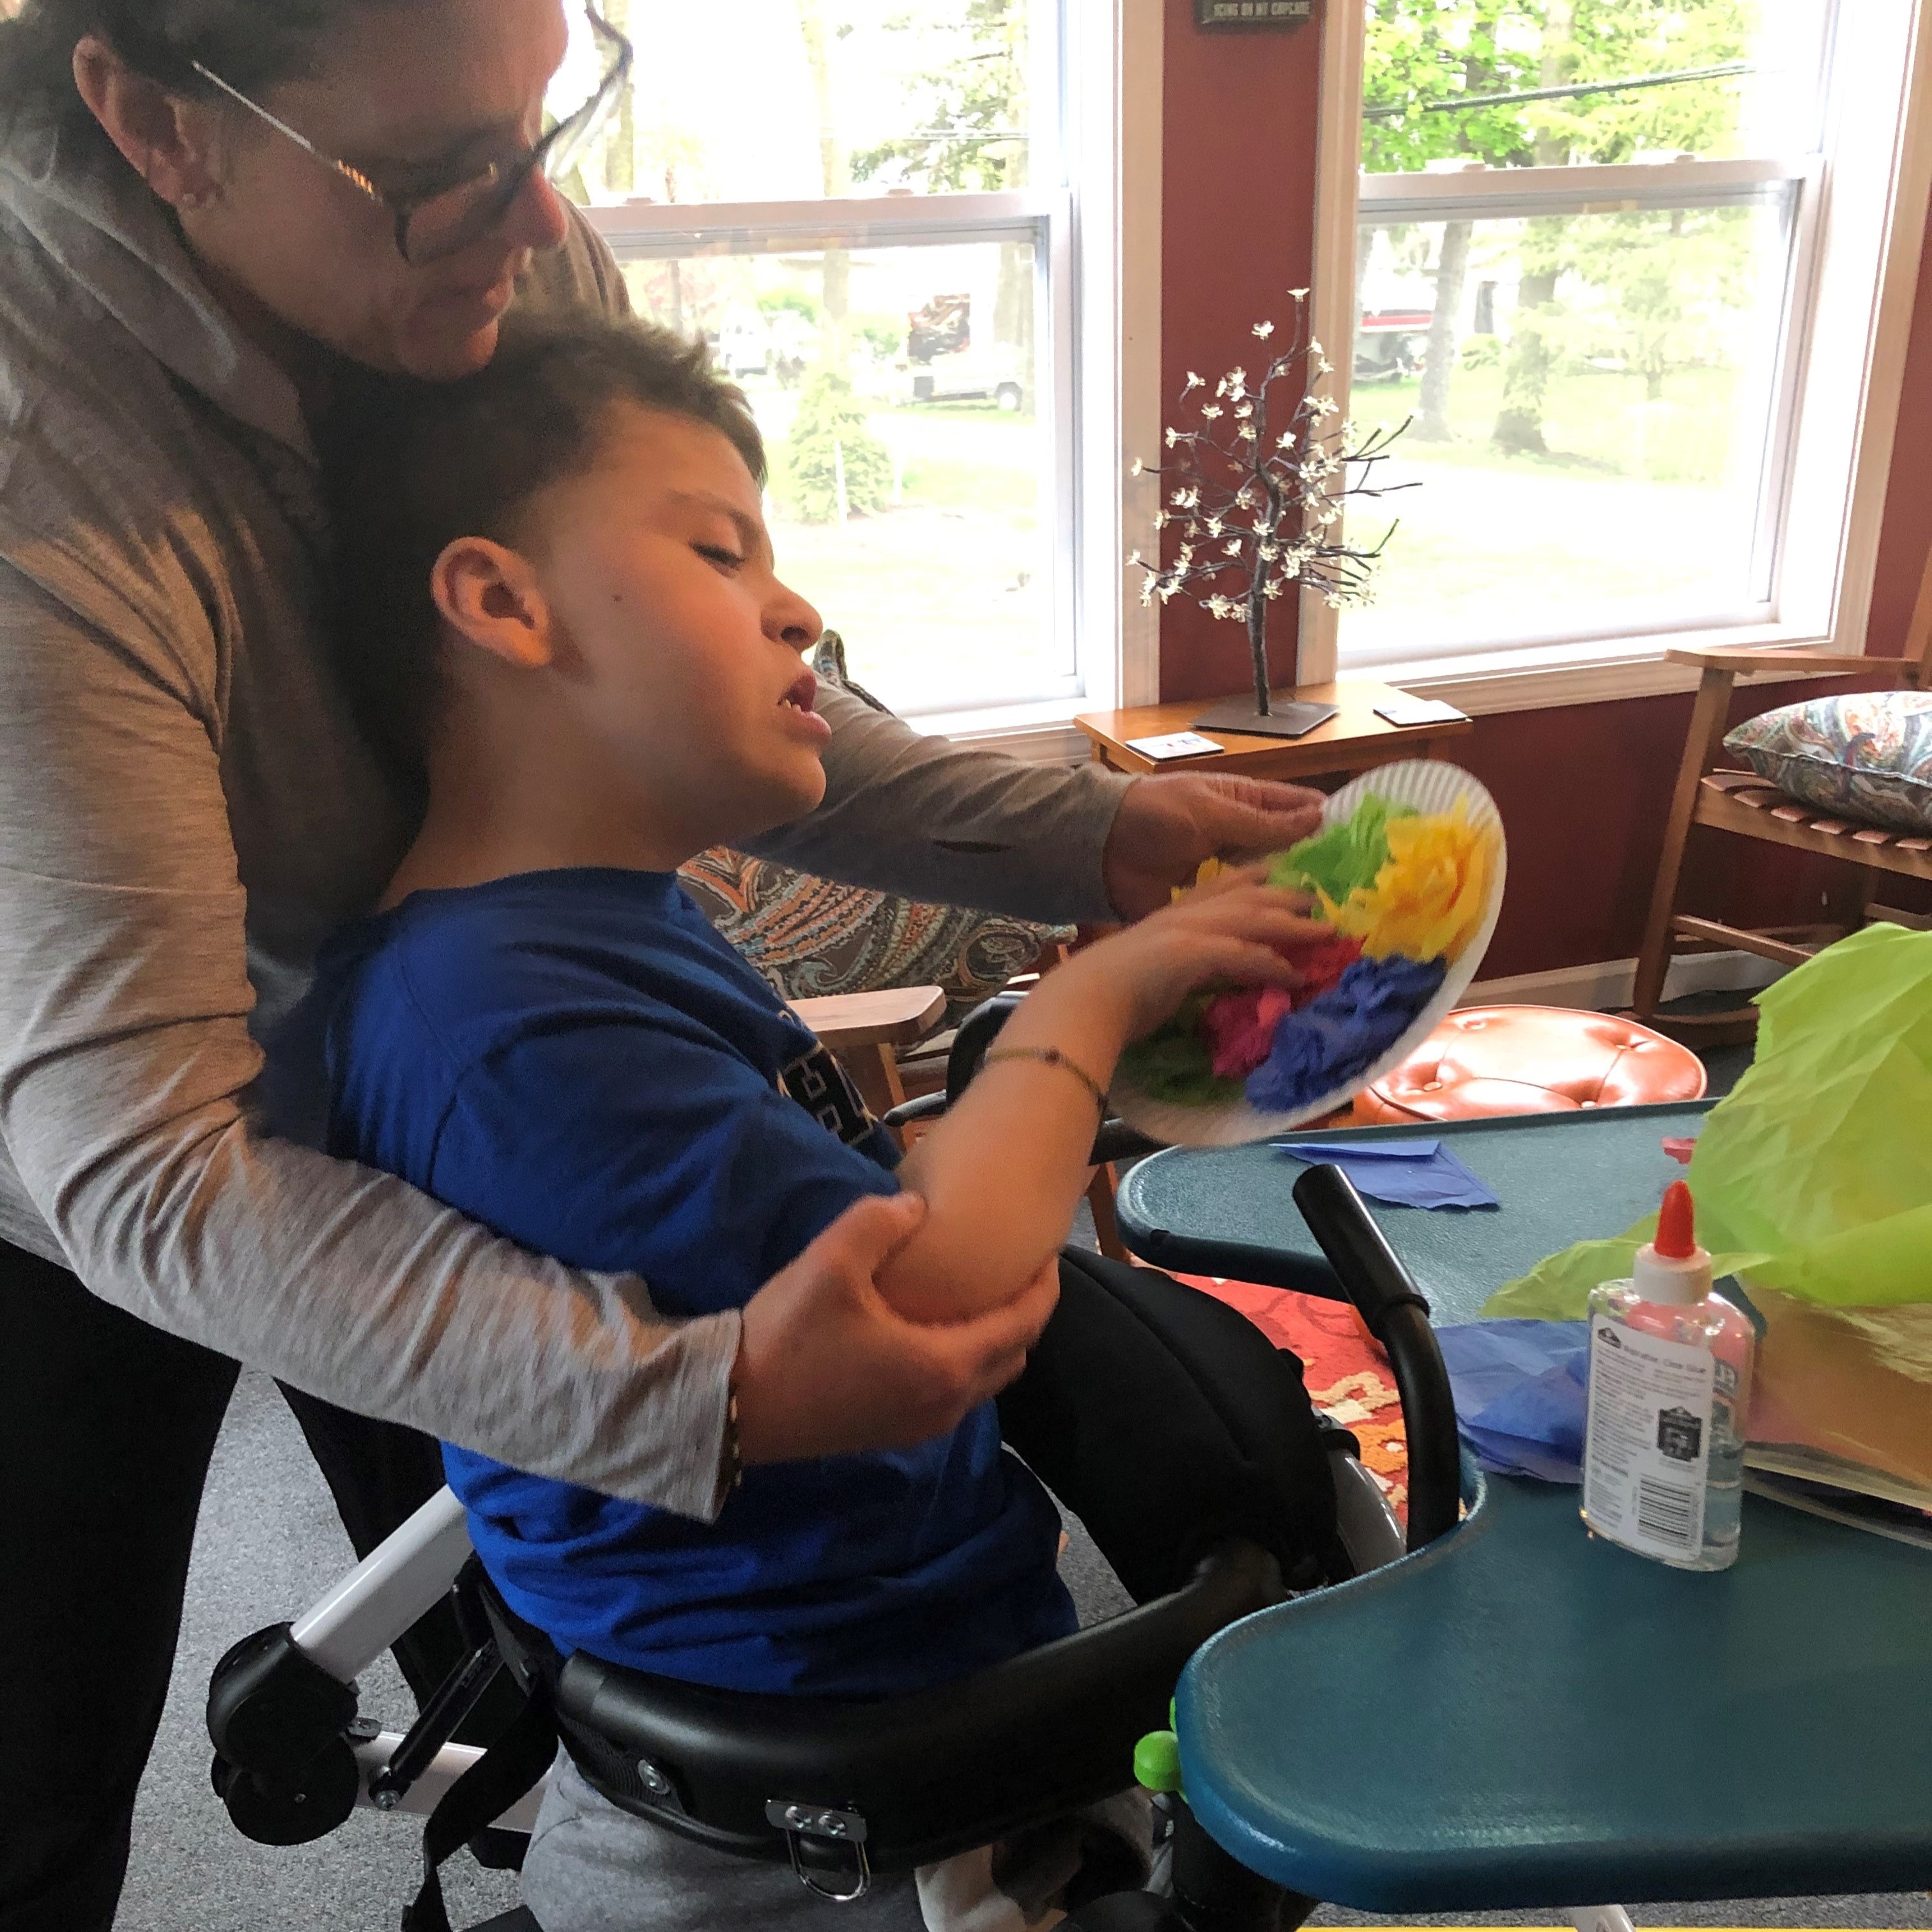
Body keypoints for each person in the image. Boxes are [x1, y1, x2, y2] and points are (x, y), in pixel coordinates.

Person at [0, 3, 1326, 1924]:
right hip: (120, 1152)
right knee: (43, 1755)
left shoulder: (503, 262)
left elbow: (715, 697)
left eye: (558, 99)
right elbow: (139, 1164)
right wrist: (688, 1393)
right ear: (158, 123)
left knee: (559, 1633)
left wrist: (1084, 832)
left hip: (418, 1082)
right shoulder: (48, 457)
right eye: (447, 162)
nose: (536, 209)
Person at [307, 312, 1331, 1929]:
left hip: (902, 1658)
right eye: (722, 551)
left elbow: (818, 1197)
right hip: (810, 1813)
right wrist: (1083, 1008)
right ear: (503, 601)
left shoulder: (601, 924)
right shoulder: (511, 1024)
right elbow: (943, 1295)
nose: (800, 607)